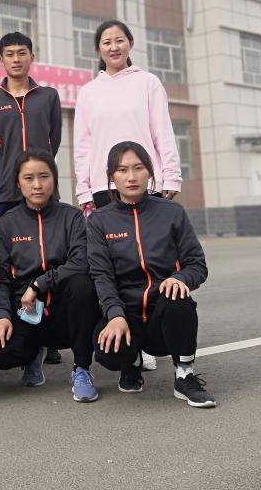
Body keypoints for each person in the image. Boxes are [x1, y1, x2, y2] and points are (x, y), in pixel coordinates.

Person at [73, 19, 181, 372]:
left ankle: (148, 337)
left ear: (130, 44)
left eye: (119, 40)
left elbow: (162, 131)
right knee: (113, 265)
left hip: (144, 183)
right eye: (106, 41)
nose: (114, 46)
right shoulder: (89, 91)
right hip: (104, 187)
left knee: (147, 261)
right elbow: (83, 144)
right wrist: (84, 188)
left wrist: (169, 175)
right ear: (98, 49)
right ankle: (125, 335)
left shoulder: (147, 83)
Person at [86, 141, 215, 408]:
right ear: (111, 176)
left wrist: (180, 278)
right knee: (108, 352)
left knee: (178, 296)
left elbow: (197, 265)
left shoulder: (172, 213)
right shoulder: (100, 220)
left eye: (138, 168)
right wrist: (115, 315)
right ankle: (131, 363)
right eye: (122, 170)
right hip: (127, 315)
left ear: (150, 171)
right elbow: (101, 275)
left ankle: (184, 375)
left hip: (163, 315)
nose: (131, 177)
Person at [0, 150, 101, 402]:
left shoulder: (71, 217)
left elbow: (80, 263)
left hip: (64, 310)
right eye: (28, 178)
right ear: (18, 183)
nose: (37, 185)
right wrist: (2, 316)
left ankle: (81, 368)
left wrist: (40, 284)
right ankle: (31, 355)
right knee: (0, 353)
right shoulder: (6, 224)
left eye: (44, 176)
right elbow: (2, 279)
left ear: (54, 179)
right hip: (26, 311)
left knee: (83, 285)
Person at [0, 31, 64, 365]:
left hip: (44, 192)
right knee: (7, 265)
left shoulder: (48, 97)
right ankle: (15, 325)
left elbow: (53, 140)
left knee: (48, 258)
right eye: (10, 54)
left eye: (22, 53)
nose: (16, 59)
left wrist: (37, 176)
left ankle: (51, 334)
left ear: (32, 56)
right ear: (1, 59)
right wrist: (9, 172)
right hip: (6, 193)